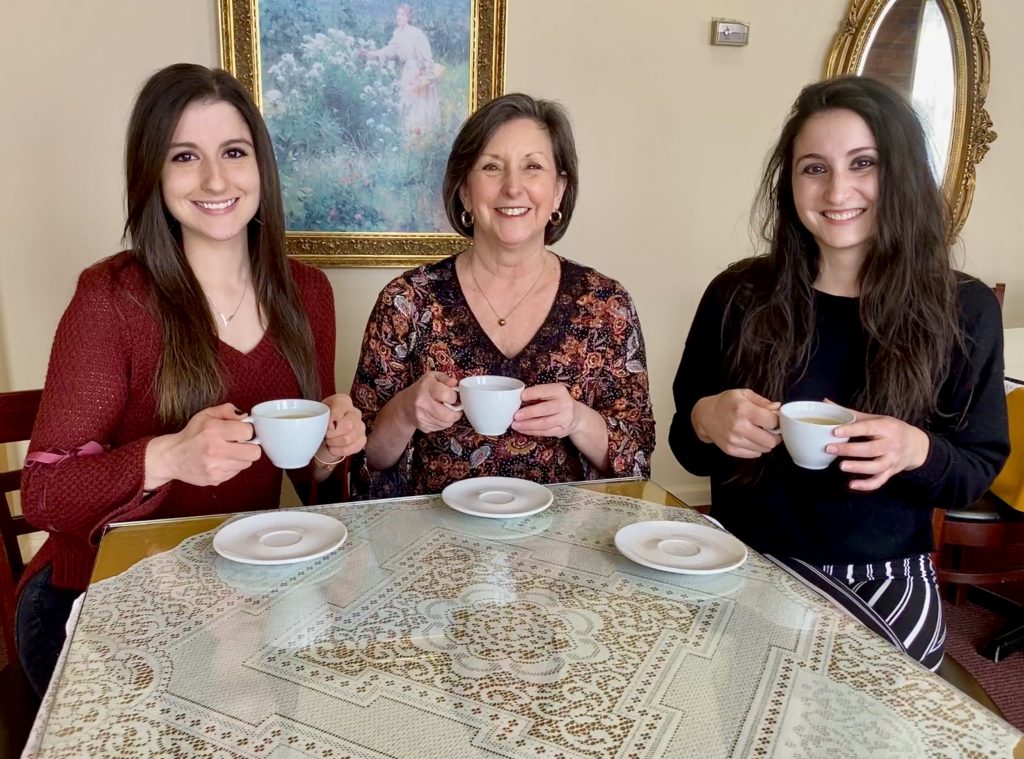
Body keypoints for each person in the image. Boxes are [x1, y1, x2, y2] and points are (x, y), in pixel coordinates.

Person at [16, 63, 366, 695]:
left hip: (249, 586)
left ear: (261, 167)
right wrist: (169, 456)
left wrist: (326, 447)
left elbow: (300, 472)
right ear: (154, 172)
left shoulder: (306, 292)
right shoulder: (110, 298)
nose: (214, 178)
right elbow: (44, 493)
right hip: (98, 591)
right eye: (185, 156)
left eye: (234, 152)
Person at [669, 76, 1008, 671]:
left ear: (899, 174)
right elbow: (686, 443)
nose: (838, 190)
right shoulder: (736, 294)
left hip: (885, 577)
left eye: (863, 164)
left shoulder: (962, 308)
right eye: (814, 168)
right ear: (790, 182)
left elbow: (976, 467)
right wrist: (705, 417)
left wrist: (914, 448)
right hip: (743, 560)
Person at [351, 93, 655, 497]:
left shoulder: (606, 305)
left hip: (564, 547)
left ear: (559, 191)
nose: (513, 188)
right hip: (437, 544)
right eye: (492, 167)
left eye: (533, 167)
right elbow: (361, 459)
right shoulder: (407, 301)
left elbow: (637, 457)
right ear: (464, 191)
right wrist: (406, 411)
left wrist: (577, 420)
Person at [361, 3, 441, 143]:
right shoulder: (398, 34)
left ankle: (422, 141)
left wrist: (420, 74)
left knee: (419, 106)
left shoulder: (416, 34)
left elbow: (427, 58)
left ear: (408, 17)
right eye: (397, 14)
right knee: (406, 105)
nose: (399, 17)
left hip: (419, 74)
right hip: (407, 73)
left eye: (402, 14)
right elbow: (389, 50)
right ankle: (409, 140)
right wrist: (370, 54)